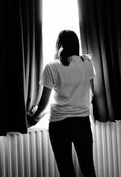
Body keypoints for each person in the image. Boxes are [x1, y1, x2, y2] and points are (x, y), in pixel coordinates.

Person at [27, 30, 97, 177]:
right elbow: (91, 93)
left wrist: (35, 114)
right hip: (82, 121)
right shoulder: (87, 63)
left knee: (66, 171)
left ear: (60, 45)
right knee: (88, 169)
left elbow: (44, 102)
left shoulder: (52, 67)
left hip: (60, 124)